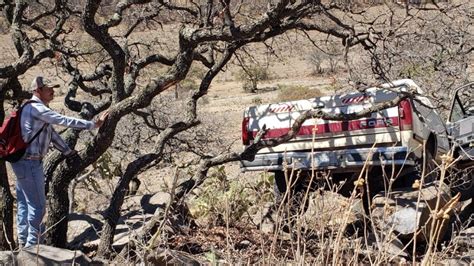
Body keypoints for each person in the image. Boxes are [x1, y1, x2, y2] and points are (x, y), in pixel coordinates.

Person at [10, 75, 109, 248]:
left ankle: (23, 246)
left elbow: (52, 134)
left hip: (22, 162)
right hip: (30, 163)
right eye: (49, 88)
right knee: (38, 207)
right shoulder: (37, 108)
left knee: (25, 204)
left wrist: (67, 152)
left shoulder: (33, 109)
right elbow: (63, 120)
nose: (53, 91)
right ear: (38, 90)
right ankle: (32, 249)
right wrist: (93, 124)